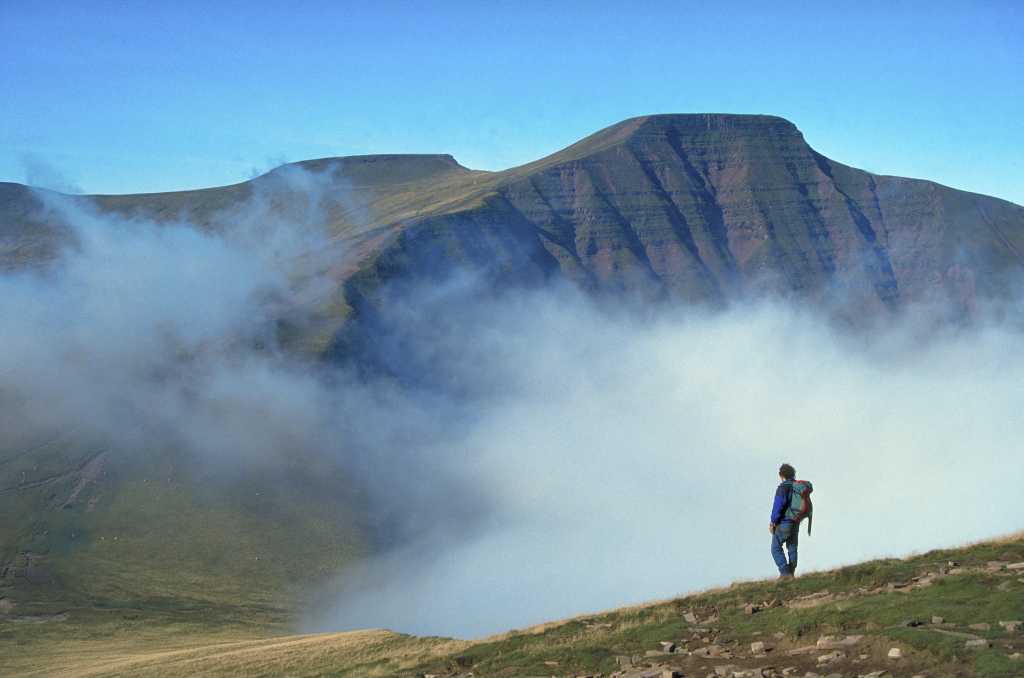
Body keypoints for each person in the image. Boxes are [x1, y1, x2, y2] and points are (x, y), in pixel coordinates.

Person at [769, 463, 798, 578]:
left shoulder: (783, 488)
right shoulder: (797, 487)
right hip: (795, 522)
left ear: (781, 475)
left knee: (775, 548)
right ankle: (791, 573)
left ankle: (785, 574)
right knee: (792, 547)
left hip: (784, 523)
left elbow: (778, 506)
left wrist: (773, 522)